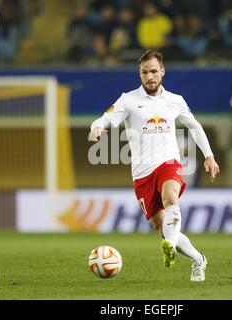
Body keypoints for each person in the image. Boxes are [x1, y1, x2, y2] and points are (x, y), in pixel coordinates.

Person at [90, 49, 220, 281]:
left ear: (162, 72)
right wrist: (97, 127)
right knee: (163, 229)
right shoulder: (128, 100)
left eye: (153, 71)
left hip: (168, 163)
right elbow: (107, 117)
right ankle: (198, 259)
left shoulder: (175, 101)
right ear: (139, 75)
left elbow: (195, 126)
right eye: (144, 72)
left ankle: (169, 245)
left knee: (171, 197)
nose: (149, 76)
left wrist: (208, 155)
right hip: (142, 174)